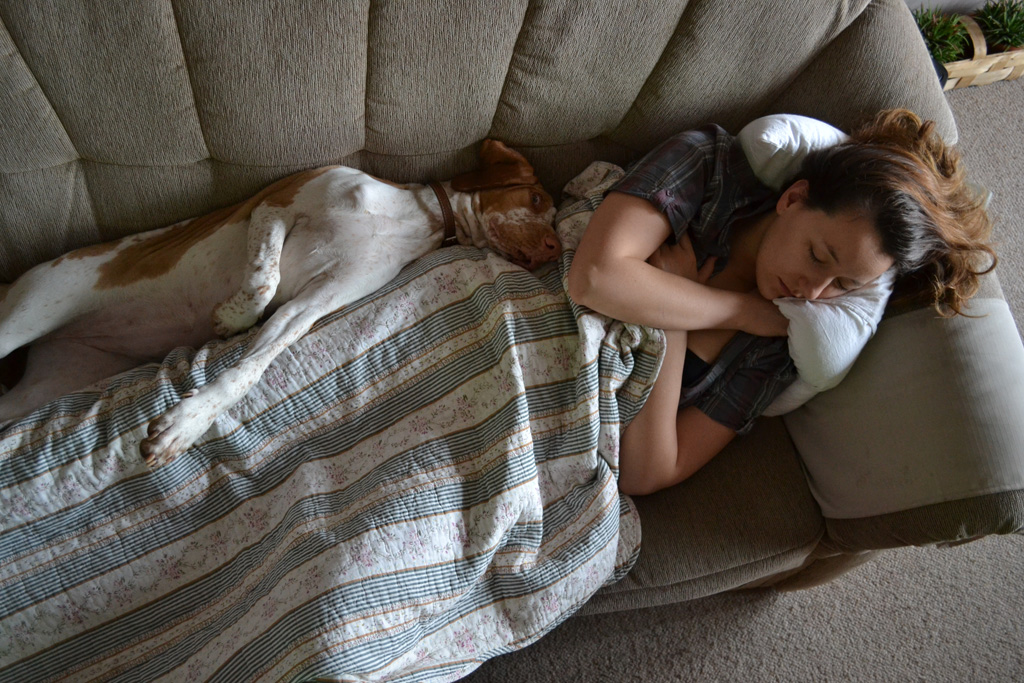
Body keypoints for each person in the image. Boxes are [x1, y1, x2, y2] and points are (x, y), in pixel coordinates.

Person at [567, 109, 996, 496]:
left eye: (843, 284)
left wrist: (674, 324)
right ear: (793, 198)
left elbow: (647, 473)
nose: (811, 292)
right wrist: (738, 310)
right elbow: (593, 278)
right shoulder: (707, 170)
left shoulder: (779, 342)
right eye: (817, 256)